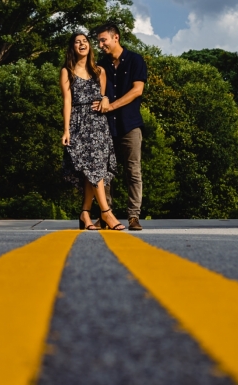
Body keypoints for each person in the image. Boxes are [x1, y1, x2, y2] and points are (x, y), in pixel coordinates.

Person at [60, 32, 126, 231]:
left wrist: (106, 100)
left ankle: (85, 213)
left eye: (85, 41)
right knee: (91, 168)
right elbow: (67, 101)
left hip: (98, 125)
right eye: (77, 42)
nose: (82, 44)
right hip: (79, 124)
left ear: (89, 46)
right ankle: (106, 213)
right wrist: (66, 130)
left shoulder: (100, 71)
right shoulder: (67, 71)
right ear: (72, 48)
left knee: (95, 168)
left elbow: (104, 96)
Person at [93, 23, 147, 231]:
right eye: (98, 41)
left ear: (116, 38)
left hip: (130, 124)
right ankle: (107, 216)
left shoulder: (135, 60)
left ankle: (133, 216)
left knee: (133, 171)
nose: (100, 44)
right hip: (106, 126)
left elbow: (137, 90)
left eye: (103, 40)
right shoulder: (101, 64)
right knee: (105, 172)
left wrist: (112, 105)